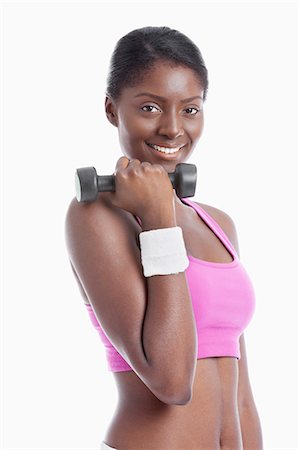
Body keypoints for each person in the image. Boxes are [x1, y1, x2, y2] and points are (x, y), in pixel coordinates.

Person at [65, 26, 263, 450]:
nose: (173, 129)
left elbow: (242, 396)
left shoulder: (218, 224)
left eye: (190, 109)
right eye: (151, 107)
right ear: (112, 109)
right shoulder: (97, 217)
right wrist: (158, 221)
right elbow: (172, 381)